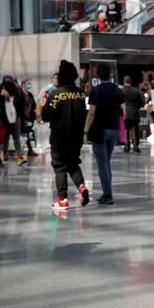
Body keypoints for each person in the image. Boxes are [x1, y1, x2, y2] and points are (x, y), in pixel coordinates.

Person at [41, 60, 89, 210]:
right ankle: (81, 186)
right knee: (73, 163)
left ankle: (62, 200)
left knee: (60, 166)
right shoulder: (80, 94)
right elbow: (84, 113)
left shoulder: (55, 95)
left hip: (59, 137)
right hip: (76, 136)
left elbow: (46, 116)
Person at [84, 63, 125, 205]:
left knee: (102, 163)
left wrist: (85, 130)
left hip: (99, 130)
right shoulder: (117, 90)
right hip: (113, 129)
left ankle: (107, 194)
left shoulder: (95, 91)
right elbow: (123, 112)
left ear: (97, 75)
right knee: (106, 161)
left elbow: (91, 112)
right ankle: (107, 192)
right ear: (111, 74)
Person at [1, 75, 27, 166]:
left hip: (16, 117)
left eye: (9, 80)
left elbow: (22, 104)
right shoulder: (1, 90)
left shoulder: (17, 91)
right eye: (6, 80)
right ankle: (4, 155)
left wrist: (23, 118)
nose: (8, 82)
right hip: (4, 118)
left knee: (17, 138)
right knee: (5, 138)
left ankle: (19, 156)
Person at [121, 76, 143, 153]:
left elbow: (119, 102)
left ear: (124, 81)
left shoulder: (121, 91)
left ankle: (127, 146)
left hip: (125, 112)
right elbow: (141, 102)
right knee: (135, 129)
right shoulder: (136, 90)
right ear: (130, 81)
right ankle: (136, 146)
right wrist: (136, 107)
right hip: (134, 112)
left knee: (126, 129)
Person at [20, 79, 38, 156]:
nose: (29, 85)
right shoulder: (20, 94)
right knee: (23, 133)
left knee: (28, 132)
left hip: (30, 118)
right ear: (23, 84)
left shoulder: (29, 94)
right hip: (23, 118)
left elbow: (34, 105)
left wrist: (36, 115)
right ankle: (23, 150)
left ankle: (29, 149)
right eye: (28, 84)